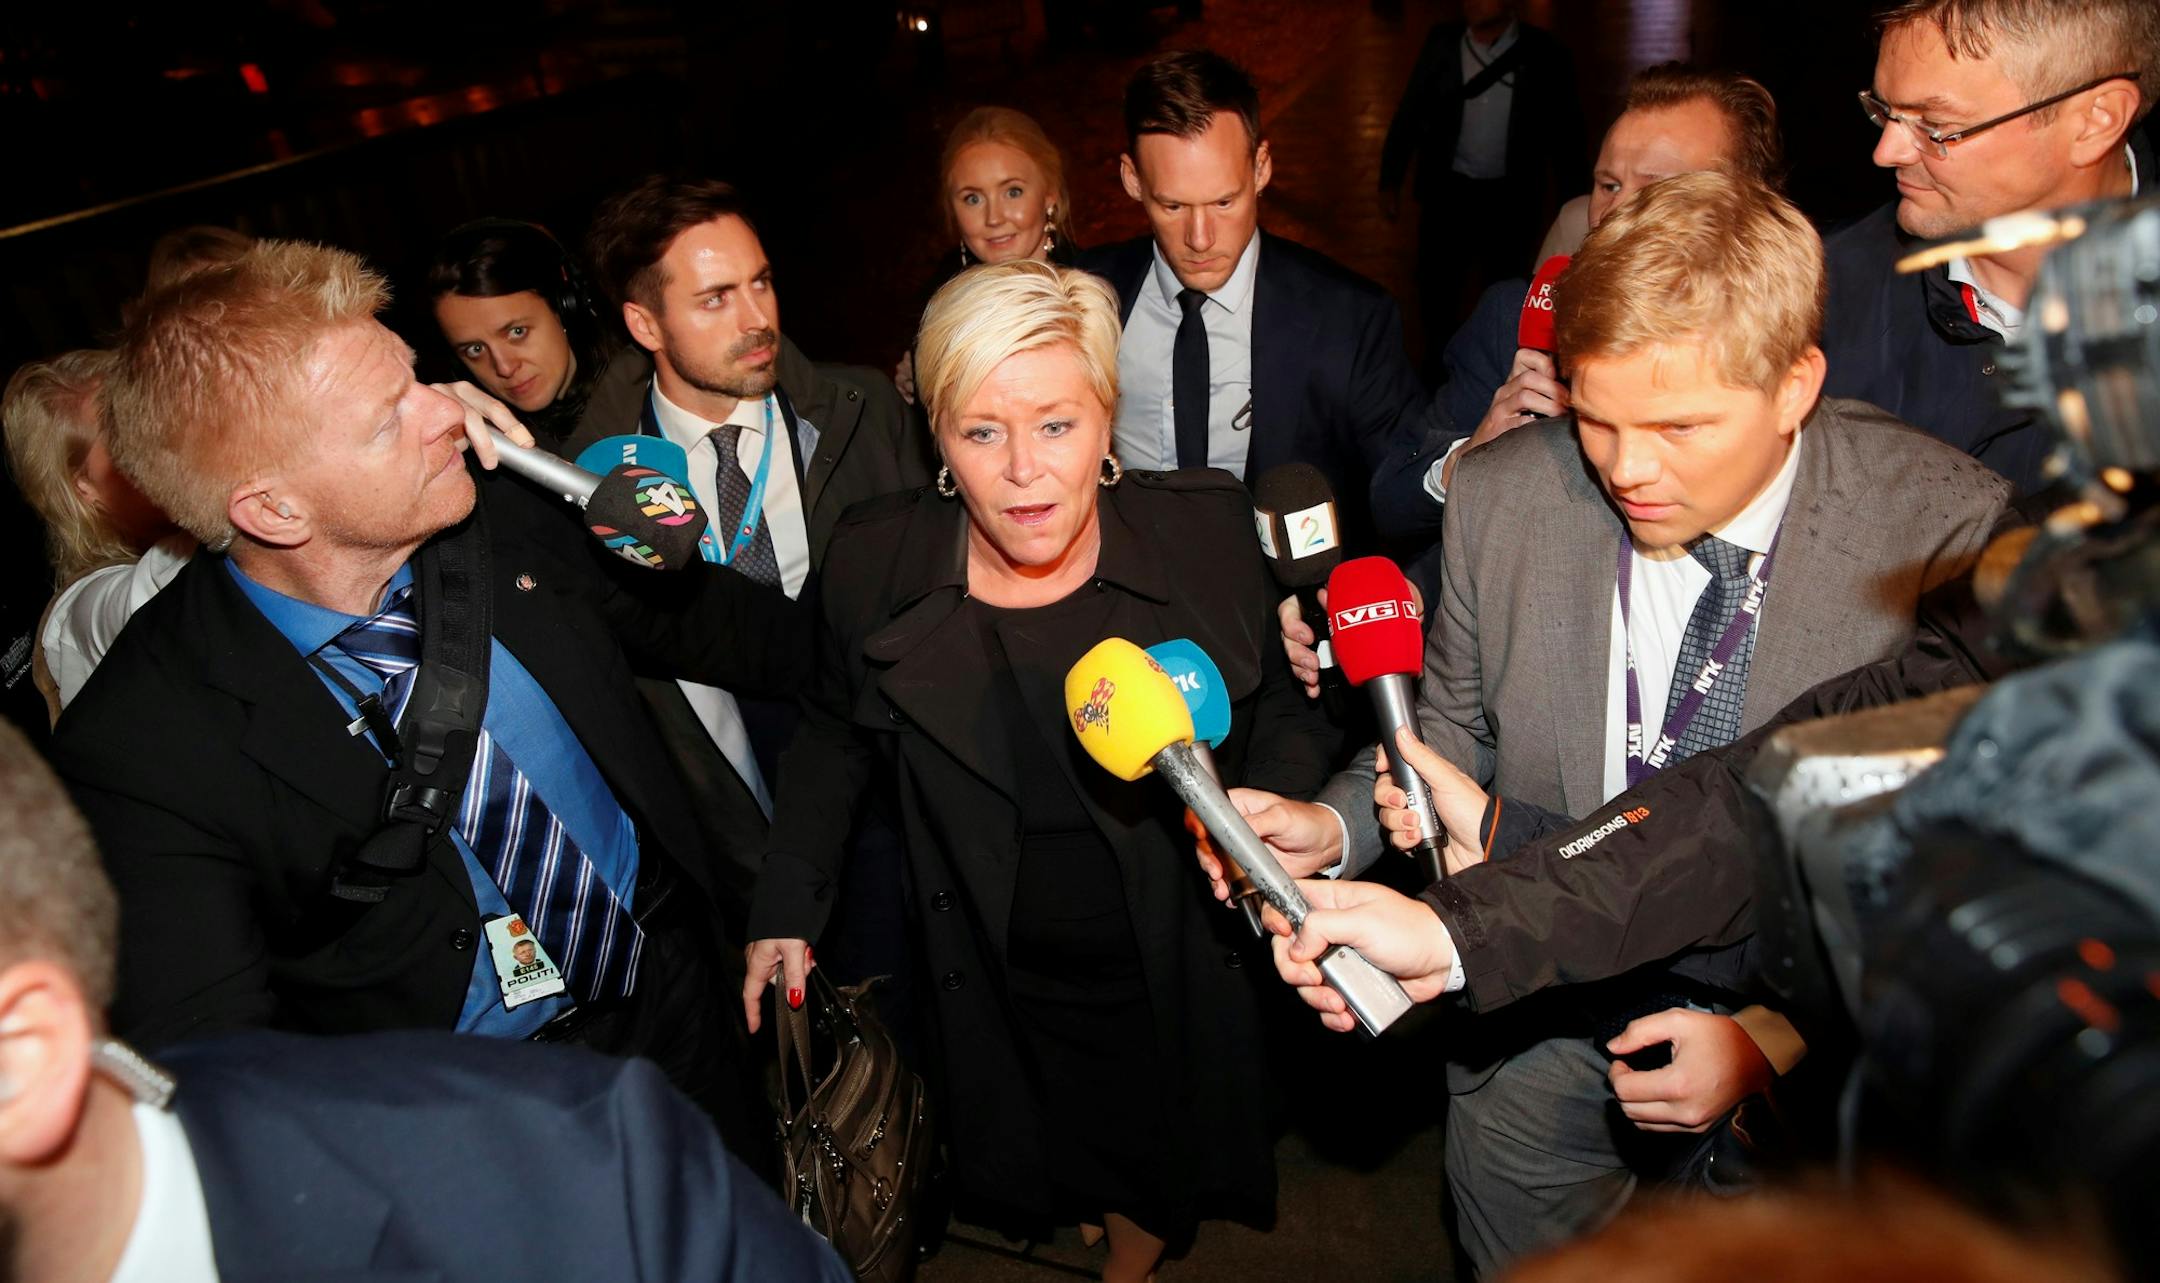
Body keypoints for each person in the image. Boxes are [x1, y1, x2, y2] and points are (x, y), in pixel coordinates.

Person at [1208, 173, 2011, 1275]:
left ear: (1794, 384)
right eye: (1595, 415)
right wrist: (1339, 825)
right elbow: (1445, 731)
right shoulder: (1504, 493)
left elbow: (1939, 889)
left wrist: (1780, 1041)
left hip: (1781, 1058)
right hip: (1529, 1026)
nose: (1628, 468)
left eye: (1681, 426)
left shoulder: (1945, 530)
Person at [46, 240, 808, 1167]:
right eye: (385, 418)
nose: (449, 409)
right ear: (274, 511)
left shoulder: (504, 518)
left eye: (415, 375)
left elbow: (755, 639)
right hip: (465, 1123)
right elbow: (225, 1084)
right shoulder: (141, 748)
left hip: (673, 996)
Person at [742, 259, 1331, 1281]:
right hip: (986, 939)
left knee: (1148, 1139)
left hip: (1162, 938)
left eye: (1057, 424)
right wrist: (787, 901)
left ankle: (1136, 1237)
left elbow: (1282, 708)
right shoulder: (875, 560)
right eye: (982, 430)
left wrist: (1270, 799)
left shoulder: (1200, 532)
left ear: (1106, 420)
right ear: (938, 438)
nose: (1023, 471)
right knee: (1045, 1115)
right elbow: (832, 734)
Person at [0, 715, 851, 1283]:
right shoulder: (152, 725)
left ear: (22, 1057)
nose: (453, 429)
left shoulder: (575, 1161)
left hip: (657, 982)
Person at [570, 177, 934, 907]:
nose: (757, 316)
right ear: (646, 325)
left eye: (761, 283)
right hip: (745, 838)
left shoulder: (864, 418)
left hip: (898, 808)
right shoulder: (597, 485)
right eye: (715, 298)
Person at [1372, 63, 1786, 548]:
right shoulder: (1517, 320)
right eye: (1608, 185)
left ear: (1747, 207)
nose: (1615, 214)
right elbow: (1392, 504)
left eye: (1654, 190)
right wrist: (1469, 457)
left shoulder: (1791, 341)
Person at [1080, 50, 1427, 554]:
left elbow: (1401, 493)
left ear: (1261, 167)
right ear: (1132, 179)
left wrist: (1462, 463)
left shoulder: (1349, 320)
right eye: (1172, 205)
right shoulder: (1083, 297)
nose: (1200, 238)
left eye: (1225, 201)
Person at [1826, 0, 2154, 495]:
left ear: (2096, 119)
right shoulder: (1817, 291)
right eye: (1886, 112)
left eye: (1935, 125)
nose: (1886, 152)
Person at [1378, 0, 1585, 345]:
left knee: (1504, 291)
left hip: (1511, 200)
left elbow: (1566, 136)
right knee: (1437, 291)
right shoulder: (1443, 42)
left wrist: (1574, 204)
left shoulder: (1543, 52)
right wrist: (1390, 178)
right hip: (1448, 194)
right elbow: (1411, 110)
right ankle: (1437, 368)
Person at [2, 350, 191, 719]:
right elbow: (156, 595)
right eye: (128, 437)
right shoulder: (79, 610)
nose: (168, 440)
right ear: (84, 487)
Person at [895, 105, 1081, 405]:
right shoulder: (937, 307)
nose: (994, 217)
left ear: (1050, 193)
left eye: (1013, 192)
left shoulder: (1098, 291)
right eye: (973, 198)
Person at [427, 217, 649, 447]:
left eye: (517, 332)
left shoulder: (652, 396)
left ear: (564, 307)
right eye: (475, 349)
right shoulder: (485, 443)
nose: (504, 367)